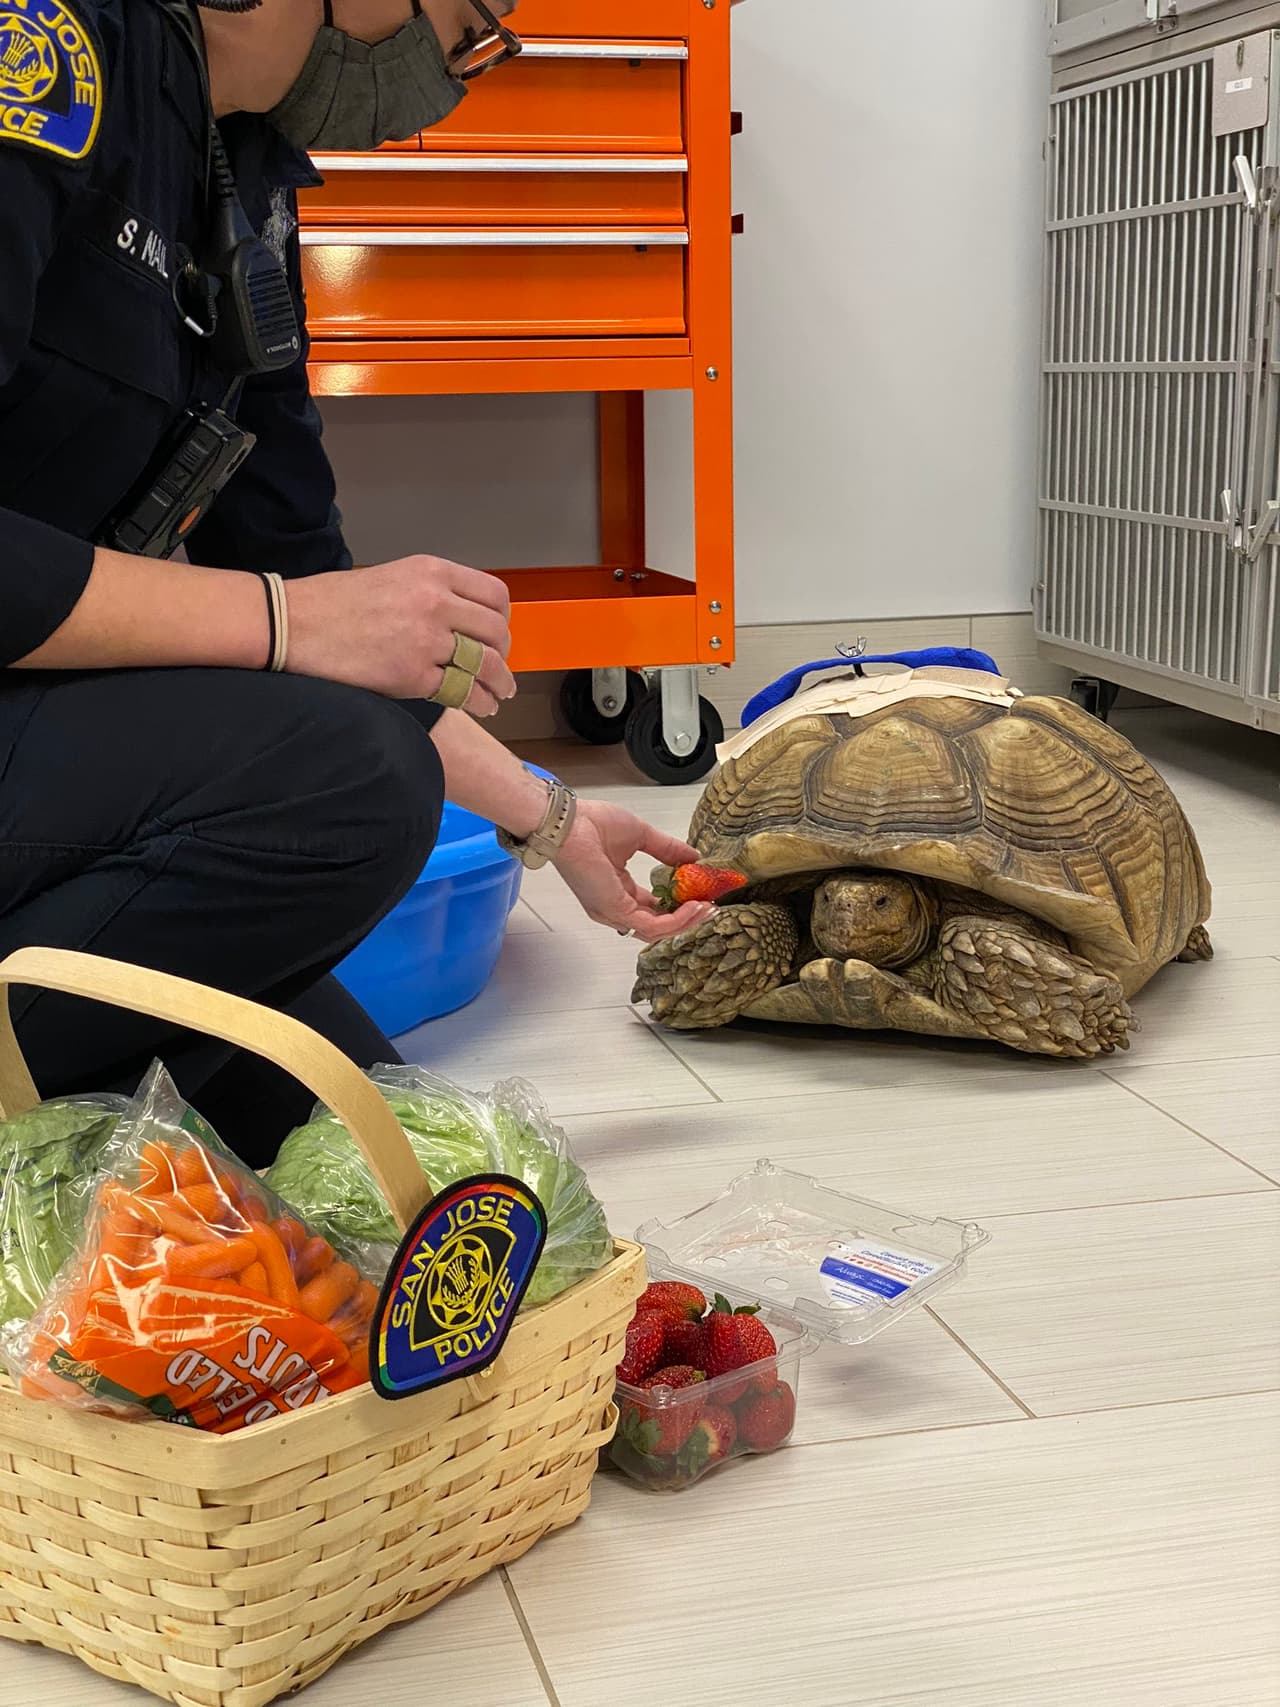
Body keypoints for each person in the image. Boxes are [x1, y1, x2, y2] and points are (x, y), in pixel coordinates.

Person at [0, 0, 714, 1163]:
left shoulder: (241, 178)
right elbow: (301, 619)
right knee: (345, 790)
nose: (461, 67)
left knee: (381, 1141)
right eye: (468, 23)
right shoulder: (41, 59)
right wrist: (286, 623)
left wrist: (554, 817)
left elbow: (300, 571)